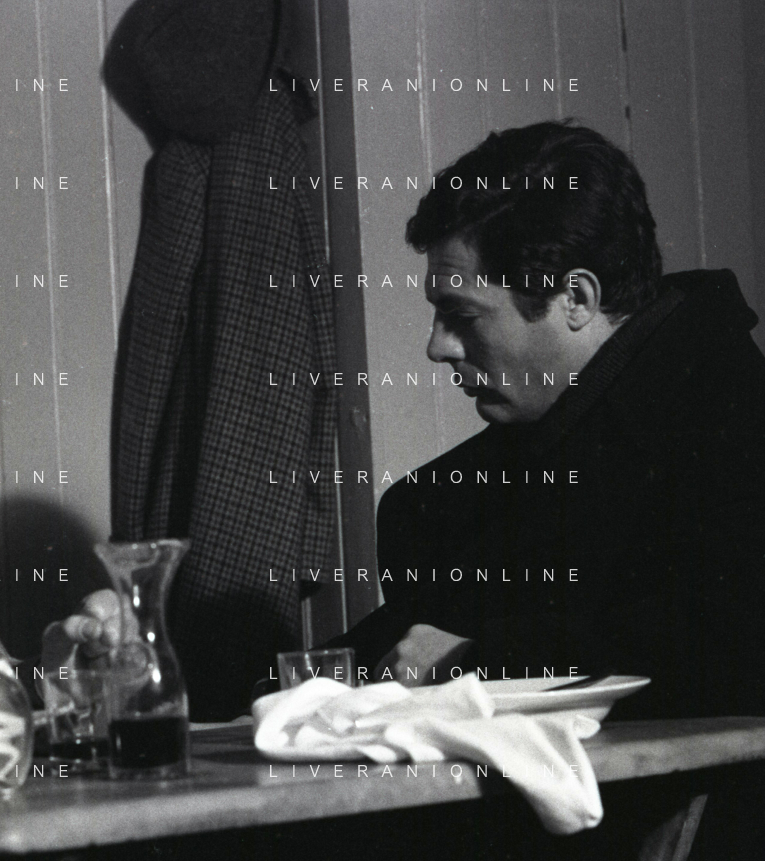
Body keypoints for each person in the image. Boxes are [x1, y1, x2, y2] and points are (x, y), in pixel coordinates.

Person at [54, 121, 765, 723]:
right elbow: (397, 650)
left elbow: (725, 649)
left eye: (462, 315)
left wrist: (476, 659)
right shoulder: (459, 495)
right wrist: (153, 666)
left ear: (574, 298)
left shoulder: (735, 428)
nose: (436, 347)